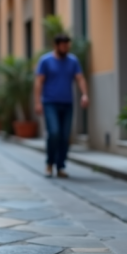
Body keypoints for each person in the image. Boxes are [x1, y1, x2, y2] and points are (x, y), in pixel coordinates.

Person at [34, 34, 89, 178]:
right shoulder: (45, 61)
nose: (65, 48)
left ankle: (60, 166)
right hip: (50, 103)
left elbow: (80, 78)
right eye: (63, 45)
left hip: (67, 103)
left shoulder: (73, 61)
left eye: (67, 45)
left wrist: (84, 94)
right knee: (54, 132)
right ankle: (49, 163)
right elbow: (39, 82)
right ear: (56, 45)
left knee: (65, 136)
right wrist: (38, 102)